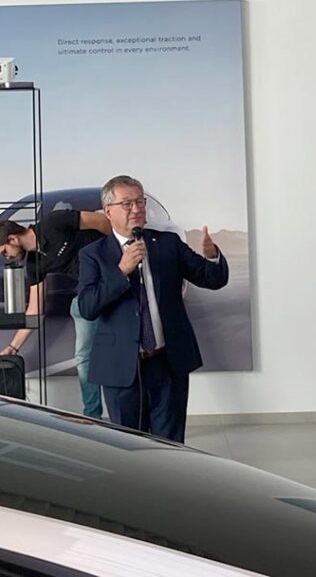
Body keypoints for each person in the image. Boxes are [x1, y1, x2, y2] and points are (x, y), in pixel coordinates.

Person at [77, 174, 228, 443]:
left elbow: (213, 279)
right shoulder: (93, 254)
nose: (136, 209)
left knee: (169, 447)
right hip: (121, 366)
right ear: (108, 212)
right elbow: (88, 306)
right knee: (127, 448)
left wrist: (212, 255)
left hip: (167, 363)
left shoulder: (168, 244)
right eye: (127, 204)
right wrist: (121, 271)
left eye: (140, 201)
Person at [0, 207, 111, 418]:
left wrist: (121, 255)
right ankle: (92, 417)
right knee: (84, 356)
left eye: (4, 252)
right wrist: (13, 347)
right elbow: (35, 309)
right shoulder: (33, 264)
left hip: (116, 277)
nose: (7, 257)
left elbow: (102, 222)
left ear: (13, 239)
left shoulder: (53, 222)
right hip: (90, 296)